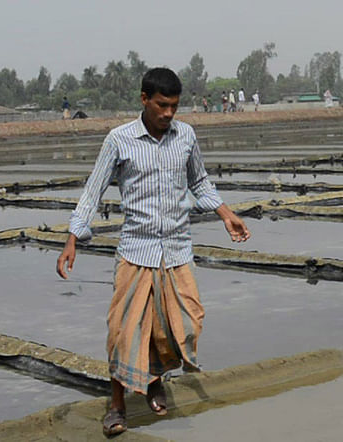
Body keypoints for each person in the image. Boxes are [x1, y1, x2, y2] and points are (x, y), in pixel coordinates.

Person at [55, 68, 251, 436]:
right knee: (123, 332)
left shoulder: (186, 136)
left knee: (183, 326)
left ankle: (154, 378)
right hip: (136, 249)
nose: (168, 113)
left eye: (174, 106)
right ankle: (116, 407)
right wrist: (72, 239)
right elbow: (93, 191)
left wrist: (227, 214)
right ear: (144, 99)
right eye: (162, 105)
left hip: (176, 249)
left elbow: (199, 181)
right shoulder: (119, 140)